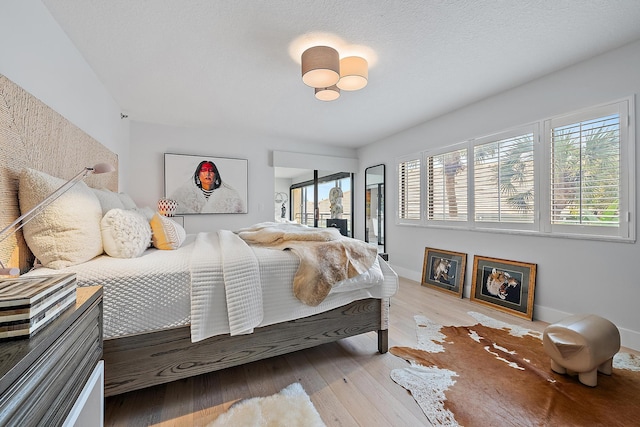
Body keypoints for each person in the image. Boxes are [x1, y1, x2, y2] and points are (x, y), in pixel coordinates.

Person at [170, 160, 245, 213]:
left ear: (216, 175)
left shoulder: (231, 197)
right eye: (204, 170)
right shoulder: (183, 196)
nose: (208, 173)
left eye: (211, 170)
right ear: (198, 175)